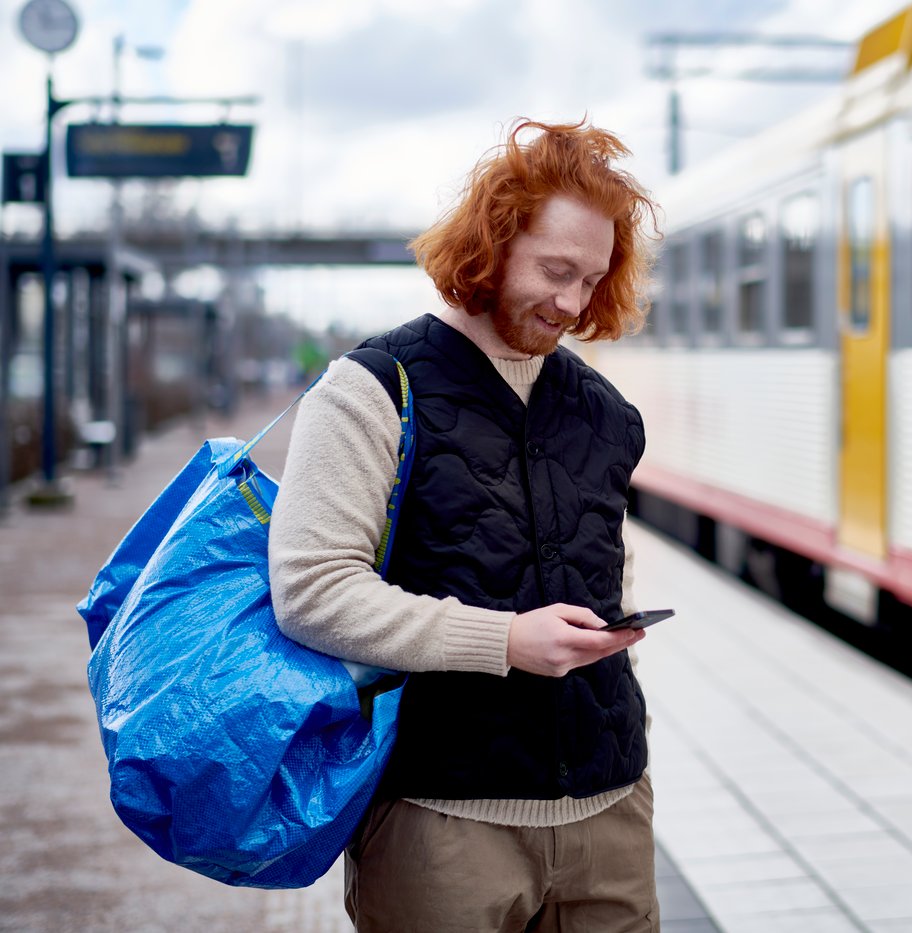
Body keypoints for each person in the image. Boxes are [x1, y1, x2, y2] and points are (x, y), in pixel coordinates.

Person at [268, 117, 661, 932]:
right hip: (440, 822)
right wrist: (506, 641)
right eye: (556, 270)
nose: (572, 302)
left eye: (592, 279)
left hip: (610, 810)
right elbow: (308, 590)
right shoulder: (370, 389)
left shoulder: (607, 413)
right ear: (494, 240)